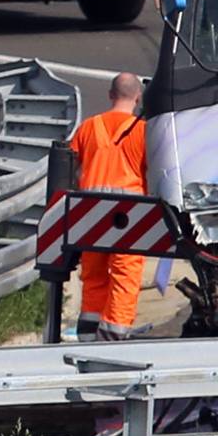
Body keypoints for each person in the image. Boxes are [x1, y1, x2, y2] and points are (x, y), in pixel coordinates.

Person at [70, 71, 149, 340]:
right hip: (128, 215)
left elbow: (71, 167)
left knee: (93, 275)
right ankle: (114, 334)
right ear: (138, 97)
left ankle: (88, 333)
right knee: (125, 275)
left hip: (91, 214)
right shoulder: (143, 131)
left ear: (110, 95)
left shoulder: (89, 127)